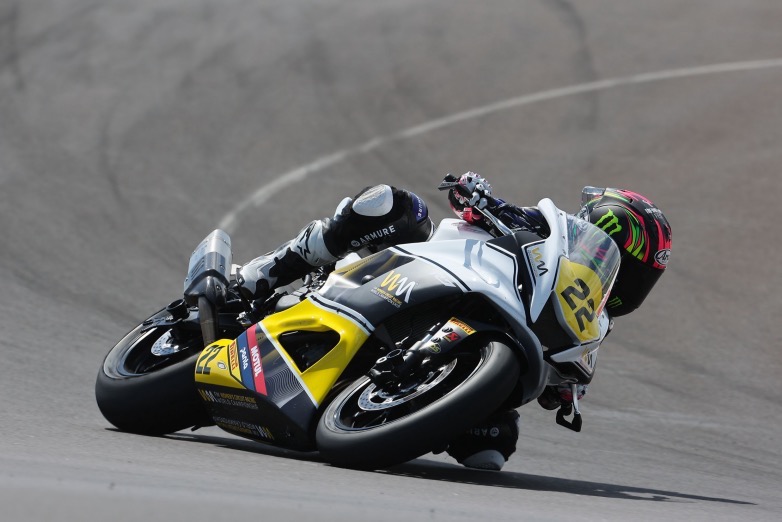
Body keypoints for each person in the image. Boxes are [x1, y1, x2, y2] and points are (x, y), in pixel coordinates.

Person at [237, 173, 672, 471]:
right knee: (391, 205)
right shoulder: (546, 230)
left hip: (485, 339)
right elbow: (482, 209)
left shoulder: (592, 321)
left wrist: (565, 391)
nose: (632, 284)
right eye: (631, 267)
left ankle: (380, 409)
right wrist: (477, 197)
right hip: (443, 271)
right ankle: (267, 272)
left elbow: (563, 385)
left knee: (492, 449)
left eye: (642, 277)